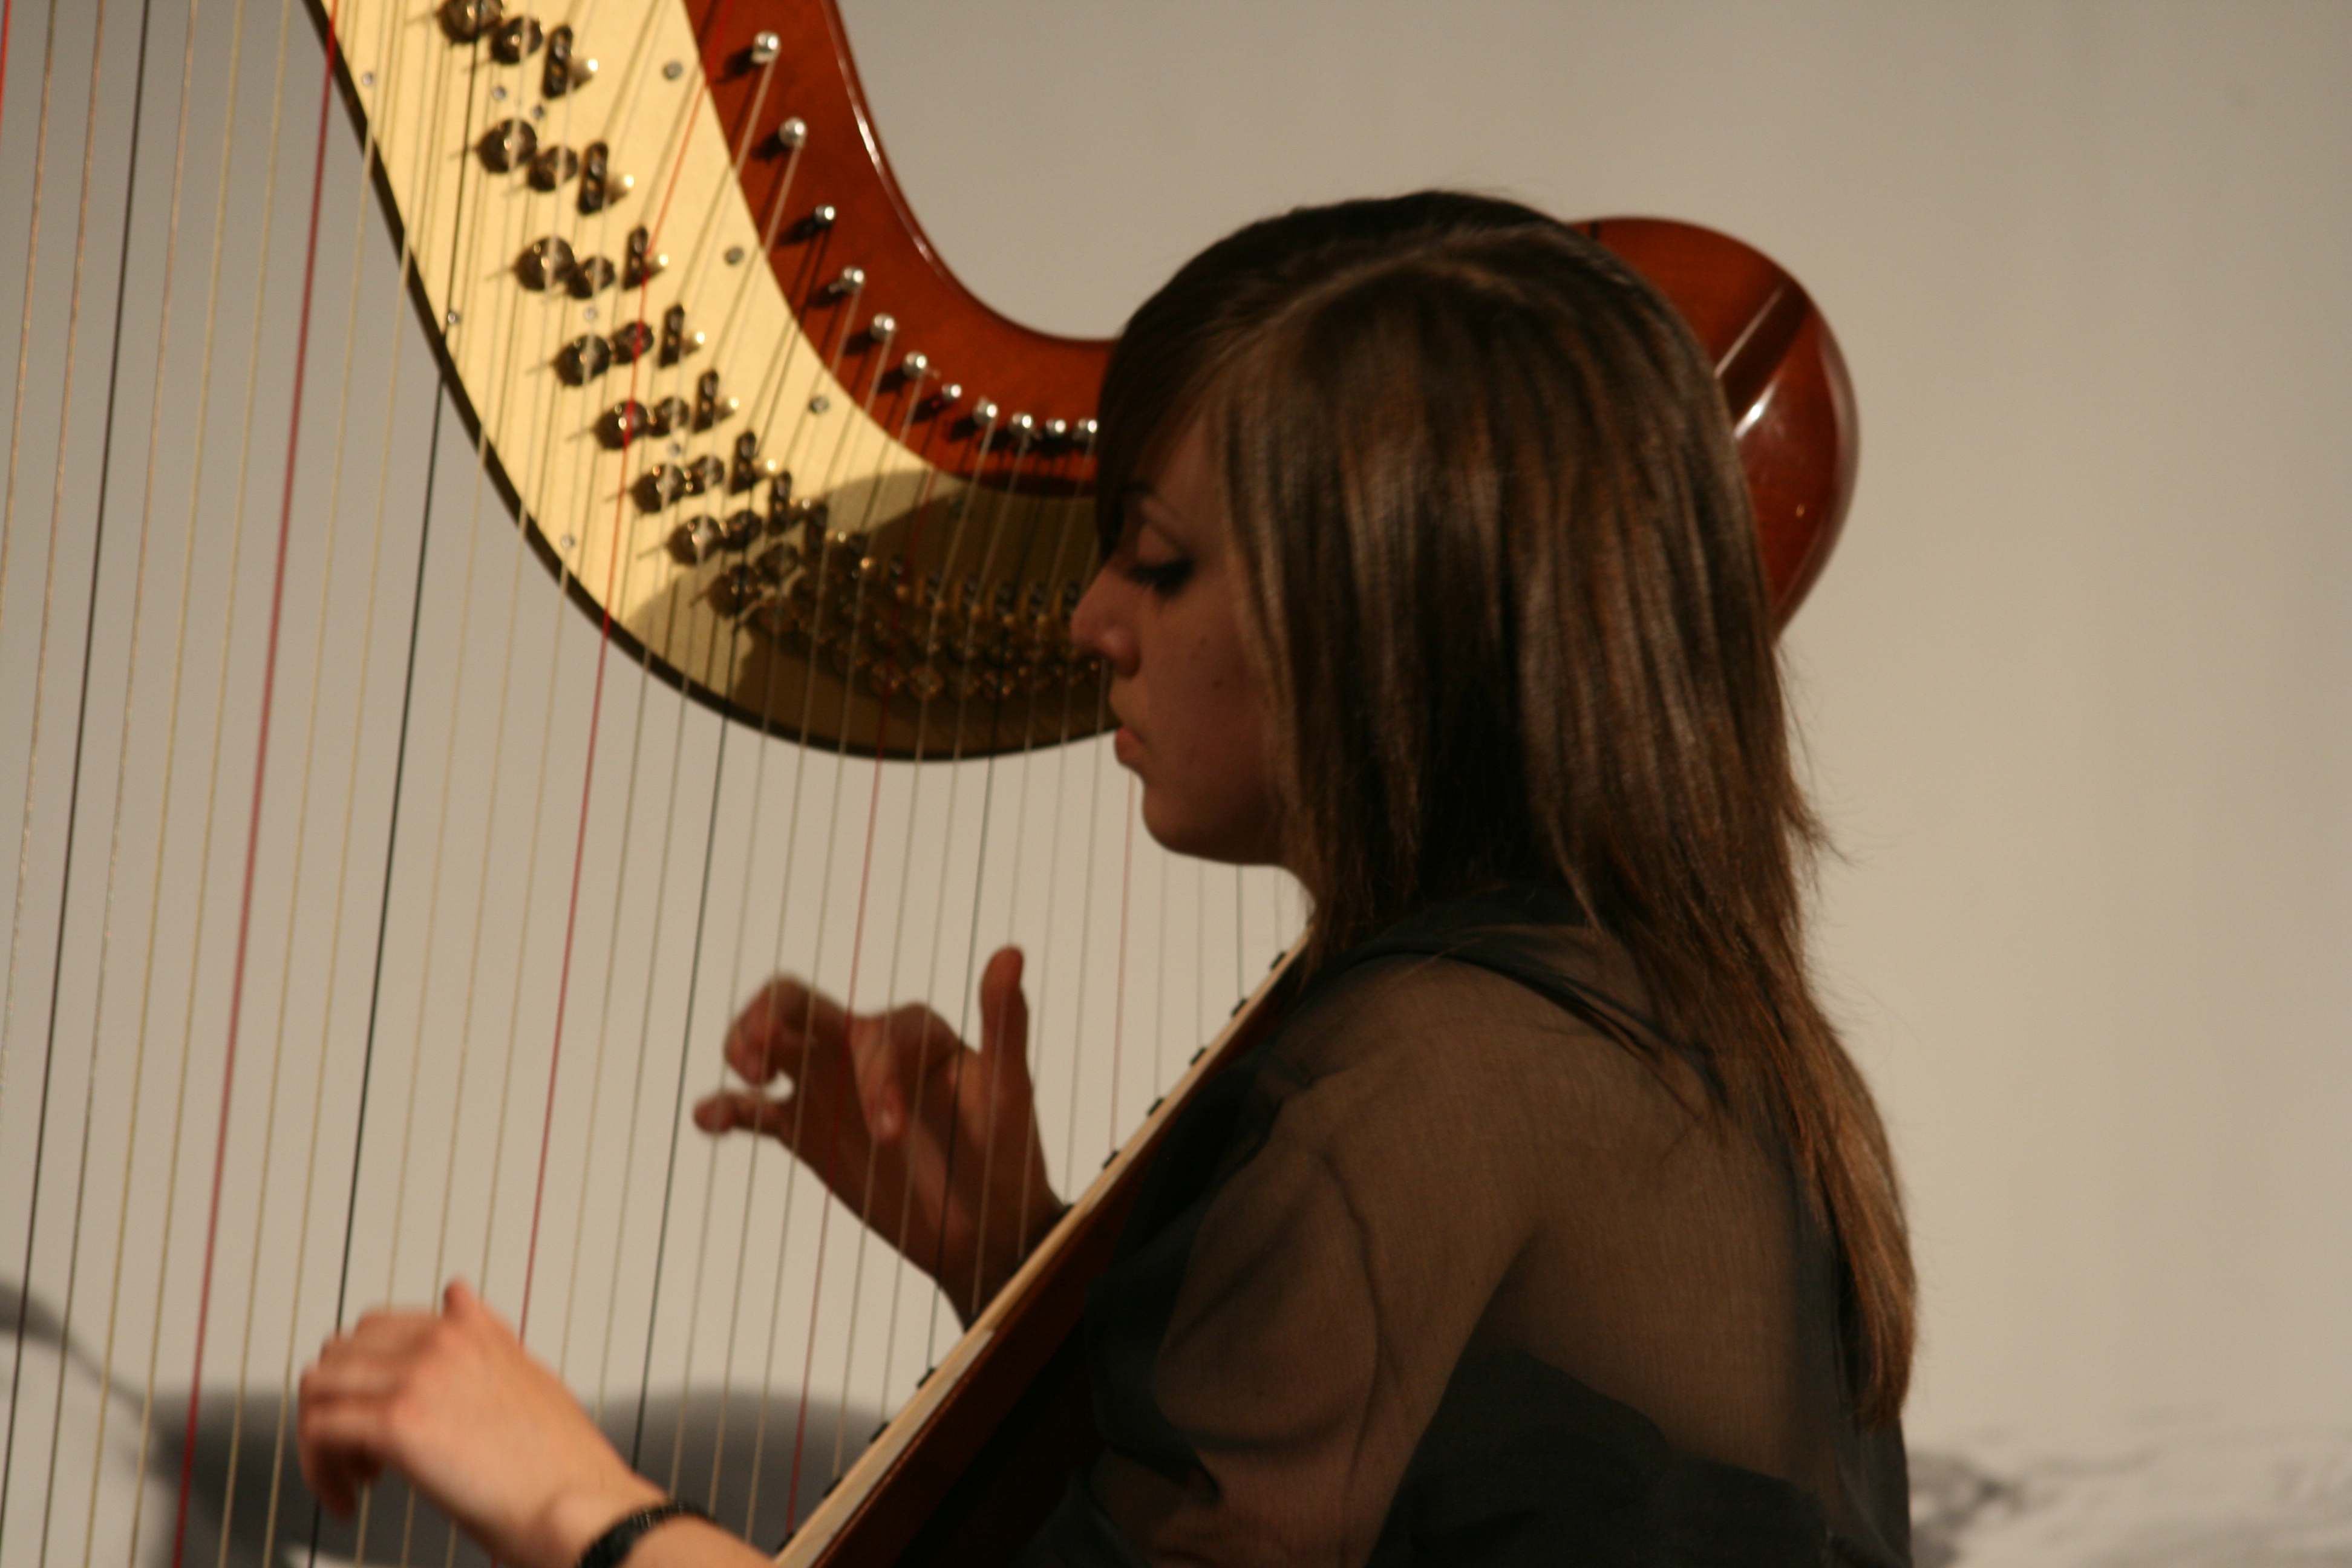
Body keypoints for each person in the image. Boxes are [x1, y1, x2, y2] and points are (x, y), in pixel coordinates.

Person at [298, 191, 1913, 1568]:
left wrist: (579, 1503)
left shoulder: (1412, 1089)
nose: (1090, 623)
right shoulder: (1672, 1042)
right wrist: (1017, 1262)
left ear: (1386, 617)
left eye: (1160, 560)